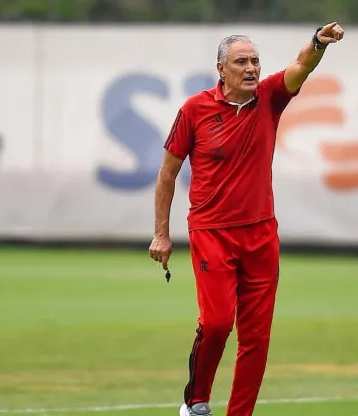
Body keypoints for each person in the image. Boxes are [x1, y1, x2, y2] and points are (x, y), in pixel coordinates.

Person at [148, 22, 345, 416]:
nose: (251, 68)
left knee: (256, 337)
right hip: (211, 233)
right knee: (219, 322)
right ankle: (196, 401)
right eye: (241, 61)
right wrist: (161, 235)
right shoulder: (195, 110)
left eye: (255, 61)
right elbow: (167, 173)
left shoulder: (270, 97)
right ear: (221, 69)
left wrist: (317, 43)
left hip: (260, 234)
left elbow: (300, 67)